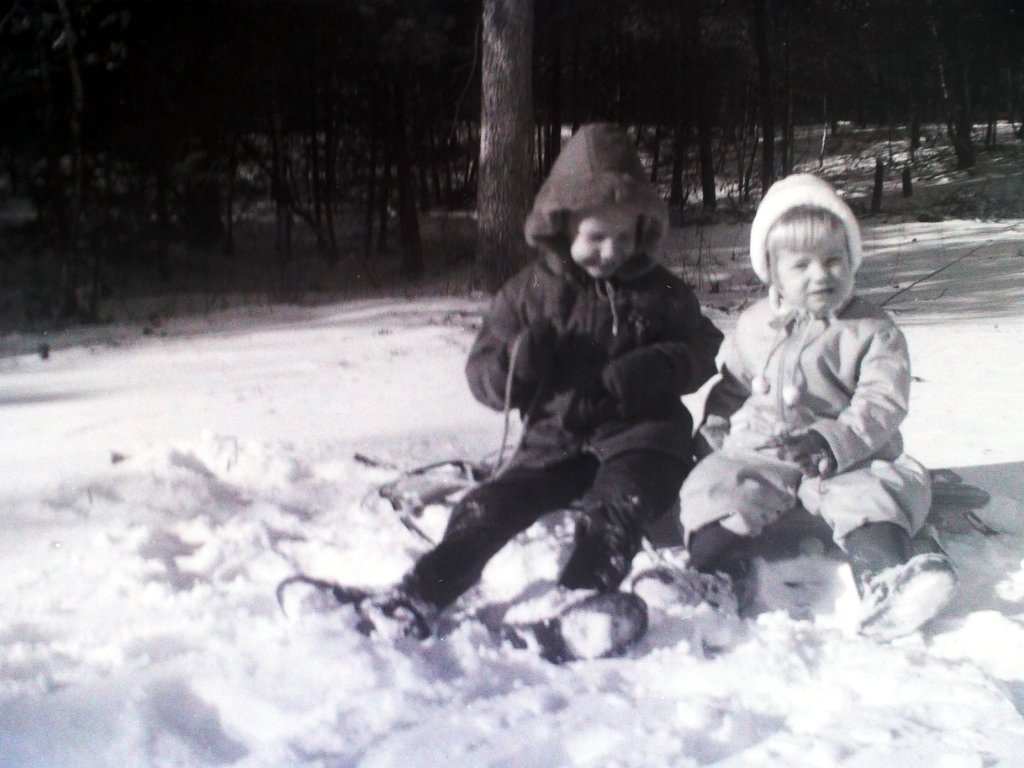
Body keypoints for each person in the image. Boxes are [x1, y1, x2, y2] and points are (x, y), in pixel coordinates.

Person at [370, 123, 723, 637]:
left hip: (642, 440)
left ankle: (577, 599)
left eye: (626, 237)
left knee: (617, 507)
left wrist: (657, 366)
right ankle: (418, 595)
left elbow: (709, 348)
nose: (612, 251)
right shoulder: (529, 291)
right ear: (562, 227)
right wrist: (521, 360)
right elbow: (484, 380)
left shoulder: (660, 291)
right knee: (487, 505)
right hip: (554, 441)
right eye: (596, 237)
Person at [679, 173, 956, 639]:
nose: (821, 274)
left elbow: (882, 400)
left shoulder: (871, 329)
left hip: (849, 456)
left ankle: (886, 578)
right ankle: (717, 575)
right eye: (802, 264)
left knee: (870, 496)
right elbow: (734, 382)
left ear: (852, 260)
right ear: (773, 271)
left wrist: (834, 440)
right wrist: (718, 422)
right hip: (764, 449)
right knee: (716, 487)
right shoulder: (753, 325)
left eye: (833, 260)